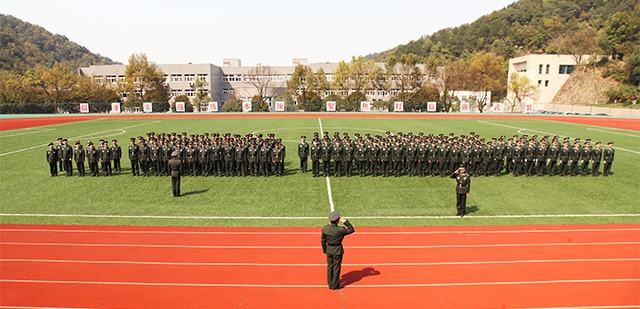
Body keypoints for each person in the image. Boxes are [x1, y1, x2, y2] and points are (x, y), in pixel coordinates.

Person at [321, 210, 355, 290]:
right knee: (336, 267)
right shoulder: (341, 230)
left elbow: (323, 240)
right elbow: (351, 229)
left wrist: (325, 250)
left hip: (329, 249)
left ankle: (330, 284)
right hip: (337, 250)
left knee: (330, 267)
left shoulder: (325, 229)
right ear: (337, 221)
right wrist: (345, 222)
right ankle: (335, 285)